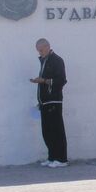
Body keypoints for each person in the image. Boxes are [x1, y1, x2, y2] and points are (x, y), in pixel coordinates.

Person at [29, 38, 68, 168]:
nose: (39, 53)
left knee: (57, 130)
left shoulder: (57, 60)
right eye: (38, 51)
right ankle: (52, 157)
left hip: (54, 101)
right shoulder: (44, 61)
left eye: (41, 50)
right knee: (47, 132)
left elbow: (61, 80)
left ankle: (61, 159)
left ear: (47, 46)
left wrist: (44, 81)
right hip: (45, 102)